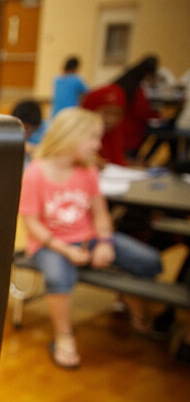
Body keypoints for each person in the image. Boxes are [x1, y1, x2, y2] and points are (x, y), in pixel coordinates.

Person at [18, 108, 163, 368]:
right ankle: (63, 336)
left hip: (89, 239)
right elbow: (32, 224)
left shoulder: (88, 172)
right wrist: (66, 250)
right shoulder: (35, 173)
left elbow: (100, 214)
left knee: (150, 261)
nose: (98, 144)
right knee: (58, 276)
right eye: (93, 137)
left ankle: (132, 298)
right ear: (71, 137)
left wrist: (105, 242)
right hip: (49, 244)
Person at [112, 55, 159, 159]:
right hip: (130, 131)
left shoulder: (124, 81)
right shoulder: (138, 90)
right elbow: (142, 111)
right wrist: (158, 116)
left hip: (119, 129)